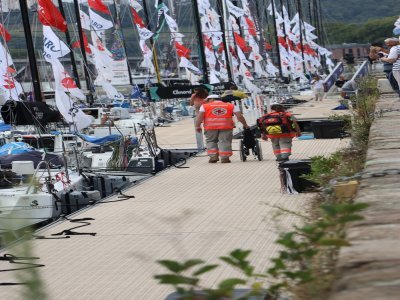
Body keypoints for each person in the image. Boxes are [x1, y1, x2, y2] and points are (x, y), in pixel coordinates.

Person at [195, 94, 249, 163]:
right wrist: (245, 125)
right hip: (226, 126)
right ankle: (225, 158)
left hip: (210, 127)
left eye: (208, 100)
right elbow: (239, 116)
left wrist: (197, 126)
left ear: (211, 99)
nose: (207, 102)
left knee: (211, 141)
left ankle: (213, 156)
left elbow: (200, 117)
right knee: (225, 141)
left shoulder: (204, 106)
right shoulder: (230, 105)